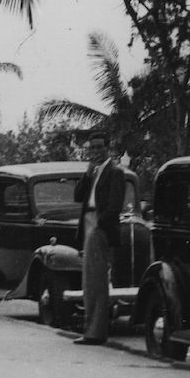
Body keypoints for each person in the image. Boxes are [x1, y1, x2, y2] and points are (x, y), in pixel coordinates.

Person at [72, 130, 127, 345]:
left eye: (98, 147)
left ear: (107, 148)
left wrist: (99, 226)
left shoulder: (115, 172)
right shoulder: (92, 173)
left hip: (100, 226)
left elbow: (114, 206)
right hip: (88, 222)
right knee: (88, 279)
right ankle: (90, 329)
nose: (95, 151)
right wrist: (87, 175)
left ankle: (95, 332)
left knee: (96, 280)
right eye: (91, 148)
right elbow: (78, 197)